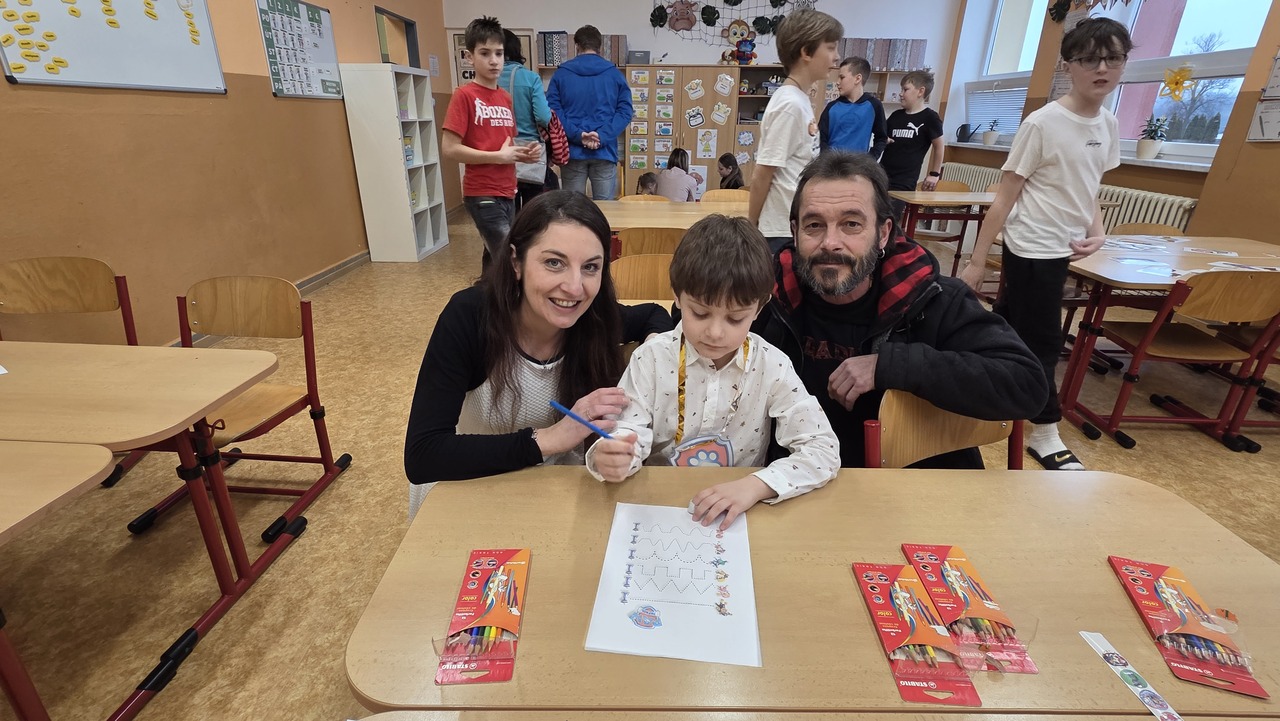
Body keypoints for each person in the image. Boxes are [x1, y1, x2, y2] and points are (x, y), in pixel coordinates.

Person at [754, 151, 1048, 468]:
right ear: (795, 232)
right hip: (795, 478)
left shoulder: (933, 298)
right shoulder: (765, 299)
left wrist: (892, 365)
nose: (830, 242)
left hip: (916, 484)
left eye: (851, 224)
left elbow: (1026, 385)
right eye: (814, 225)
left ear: (883, 234)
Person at [404, 191, 673, 518]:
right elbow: (423, 456)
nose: (574, 287)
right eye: (554, 263)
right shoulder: (471, 316)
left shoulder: (594, 318)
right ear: (516, 262)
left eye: (590, 267)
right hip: (470, 484)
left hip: (551, 490)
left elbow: (654, 314)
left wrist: (649, 354)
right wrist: (551, 438)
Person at [587, 214, 839, 530]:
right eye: (700, 313)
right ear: (677, 295)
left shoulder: (771, 365)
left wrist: (755, 486)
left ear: (760, 307)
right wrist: (615, 455)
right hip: (659, 508)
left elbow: (823, 449)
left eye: (735, 319)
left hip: (738, 514)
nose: (716, 333)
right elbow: (627, 431)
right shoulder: (650, 359)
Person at [957, 18, 1131, 472]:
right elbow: (1005, 197)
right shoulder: (1042, 124)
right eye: (1090, 59)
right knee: (1044, 340)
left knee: (1008, 323)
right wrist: (977, 260)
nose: (1102, 68)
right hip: (1033, 246)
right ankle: (1045, 431)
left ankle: (978, 381)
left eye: (1113, 59)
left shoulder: (1108, 123)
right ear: (1068, 65)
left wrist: (1098, 229)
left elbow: (1089, 185)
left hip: (1066, 245)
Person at [442, 16, 541, 268]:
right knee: (510, 259)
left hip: (508, 190)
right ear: (469, 57)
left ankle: (487, 292)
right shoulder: (464, 95)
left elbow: (504, 144)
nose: (494, 60)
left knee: (494, 259)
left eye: (499, 53)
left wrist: (524, 154)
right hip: (481, 192)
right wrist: (497, 157)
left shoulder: (505, 97)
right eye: (485, 53)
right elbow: (449, 148)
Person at [748, 8, 843, 254]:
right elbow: (763, 172)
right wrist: (751, 227)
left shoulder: (798, 100)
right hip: (780, 230)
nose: (836, 57)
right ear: (806, 52)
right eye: (830, 47)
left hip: (794, 225)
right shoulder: (789, 104)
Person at [546, 25, 632, 200]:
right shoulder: (615, 75)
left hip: (572, 151)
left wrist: (578, 135)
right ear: (600, 47)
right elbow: (625, 112)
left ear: (577, 46)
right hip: (604, 151)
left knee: (573, 207)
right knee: (605, 209)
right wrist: (602, 136)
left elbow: (553, 112)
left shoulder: (561, 74)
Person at [879, 70, 945, 220]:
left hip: (904, 181)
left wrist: (934, 174)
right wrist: (884, 140)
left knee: (890, 219)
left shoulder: (930, 117)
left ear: (920, 91)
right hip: (882, 175)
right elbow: (882, 136)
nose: (901, 94)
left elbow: (939, 147)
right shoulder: (896, 116)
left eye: (905, 89)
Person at [499, 29, 553, 210]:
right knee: (532, 212)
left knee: (508, 212)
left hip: (500, 153)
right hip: (530, 151)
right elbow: (543, 117)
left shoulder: (488, 80)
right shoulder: (531, 78)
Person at [818, 57, 887, 159]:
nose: (837, 82)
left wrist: (869, 160)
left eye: (842, 77)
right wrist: (827, 160)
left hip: (858, 166)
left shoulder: (874, 105)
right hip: (832, 165)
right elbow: (821, 139)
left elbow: (881, 138)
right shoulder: (831, 107)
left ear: (857, 79)